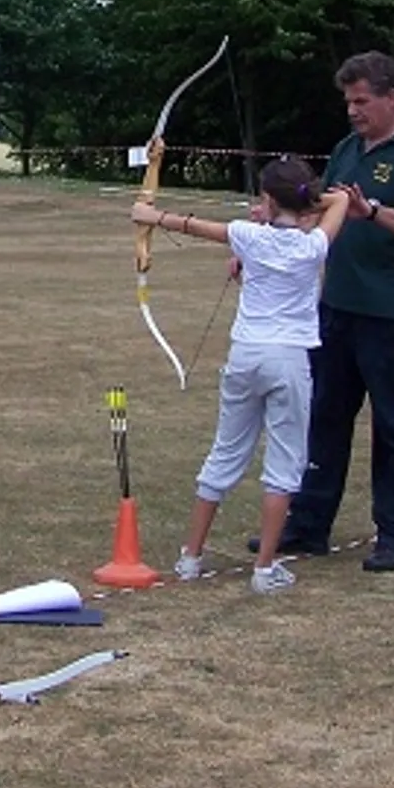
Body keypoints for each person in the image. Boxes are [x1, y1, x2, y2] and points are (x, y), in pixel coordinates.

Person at [272, 51, 394, 573]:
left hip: (389, 316)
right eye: (348, 102)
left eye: (362, 101)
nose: (352, 110)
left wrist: (372, 211)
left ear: (391, 98)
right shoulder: (346, 149)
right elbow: (315, 214)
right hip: (335, 309)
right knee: (324, 419)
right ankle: (309, 525)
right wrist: (265, 236)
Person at [134, 157, 349, 593]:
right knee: (284, 462)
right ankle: (264, 570)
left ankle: (190, 558)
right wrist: (295, 204)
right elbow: (341, 200)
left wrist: (151, 216)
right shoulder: (313, 245)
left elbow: (196, 227)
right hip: (288, 359)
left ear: (269, 199)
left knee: (226, 452)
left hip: (246, 356)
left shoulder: (249, 235)